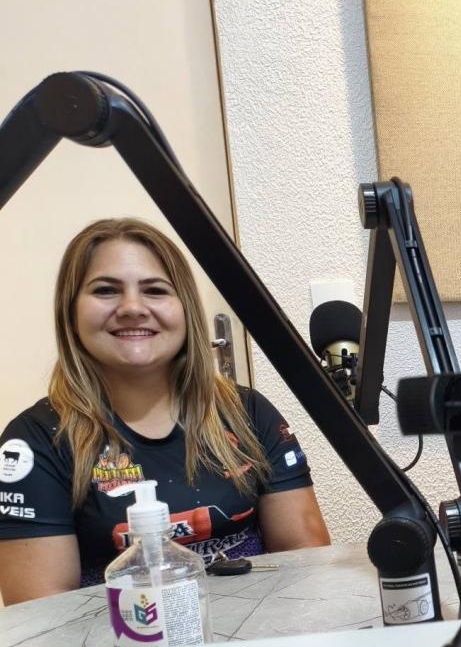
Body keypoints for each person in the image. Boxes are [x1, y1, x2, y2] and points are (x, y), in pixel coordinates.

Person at [0, 218, 330, 604]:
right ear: (70, 314)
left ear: (185, 309)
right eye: (106, 290)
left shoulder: (248, 413)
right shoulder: (33, 443)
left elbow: (307, 566)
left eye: (155, 290)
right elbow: (43, 616)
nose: (132, 308)